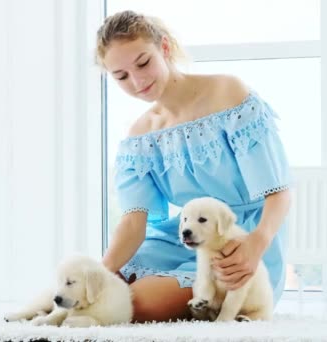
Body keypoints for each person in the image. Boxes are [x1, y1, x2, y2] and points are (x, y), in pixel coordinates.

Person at [95, 10, 292, 323]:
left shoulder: (228, 94)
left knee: (138, 305)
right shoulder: (140, 136)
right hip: (181, 236)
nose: (137, 80)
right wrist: (98, 275)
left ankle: (218, 305)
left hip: (239, 238)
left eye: (143, 63)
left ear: (165, 48)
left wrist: (255, 246)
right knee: (103, 289)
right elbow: (133, 225)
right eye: (121, 76)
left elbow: (278, 193)